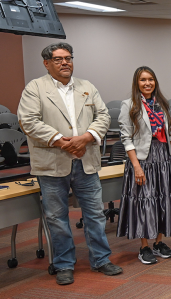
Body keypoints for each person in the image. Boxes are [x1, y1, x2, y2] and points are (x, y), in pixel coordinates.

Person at [17, 42, 122, 285]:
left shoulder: (86, 86)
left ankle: (101, 259)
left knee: (95, 214)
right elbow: (28, 121)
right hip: (53, 162)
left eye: (68, 58)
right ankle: (64, 264)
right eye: (58, 59)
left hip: (86, 161)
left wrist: (86, 137)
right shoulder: (35, 88)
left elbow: (103, 115)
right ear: (46, 63)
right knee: (57, 217)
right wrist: (62, 142)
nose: (65, 63)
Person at [116, 66, 171, 264]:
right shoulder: (129, 105)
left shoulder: (160, 104)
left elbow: (170, 133)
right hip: (143, 159)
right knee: (145, 201)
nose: (147, 83)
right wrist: (136, 166)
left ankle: (158, 242)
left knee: (163, 199)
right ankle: (144, 246)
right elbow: (126, 138)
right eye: (143, 80)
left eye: (151, 79)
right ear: (137, 83)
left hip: (163, 157)